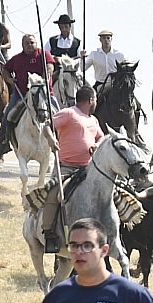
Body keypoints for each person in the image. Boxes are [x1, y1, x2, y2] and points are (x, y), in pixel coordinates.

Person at [39, 86, 105, 252]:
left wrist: (96, 145)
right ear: (91, 100)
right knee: (54, 195)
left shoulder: (93, 120)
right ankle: (49, 233)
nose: (95, 102)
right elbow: (47, 126)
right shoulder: (69, 113)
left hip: (88, 169)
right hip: (66, 167)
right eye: (95, 99)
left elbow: (101, 136)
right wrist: (51, 139)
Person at [0, 34, 57, 157]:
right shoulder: (16, 58)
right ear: (22, 45)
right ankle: (4, 140)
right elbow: (5, 70)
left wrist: (46, 76)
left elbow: (50, 67)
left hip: (44, 94)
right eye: (27, 43)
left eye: (32, 42)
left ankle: (62, 140)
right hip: (21, 94)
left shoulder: (44, 55)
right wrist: (10, 80)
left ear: (36, 43)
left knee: (58, 113)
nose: (30, 45)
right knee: (8, 114)